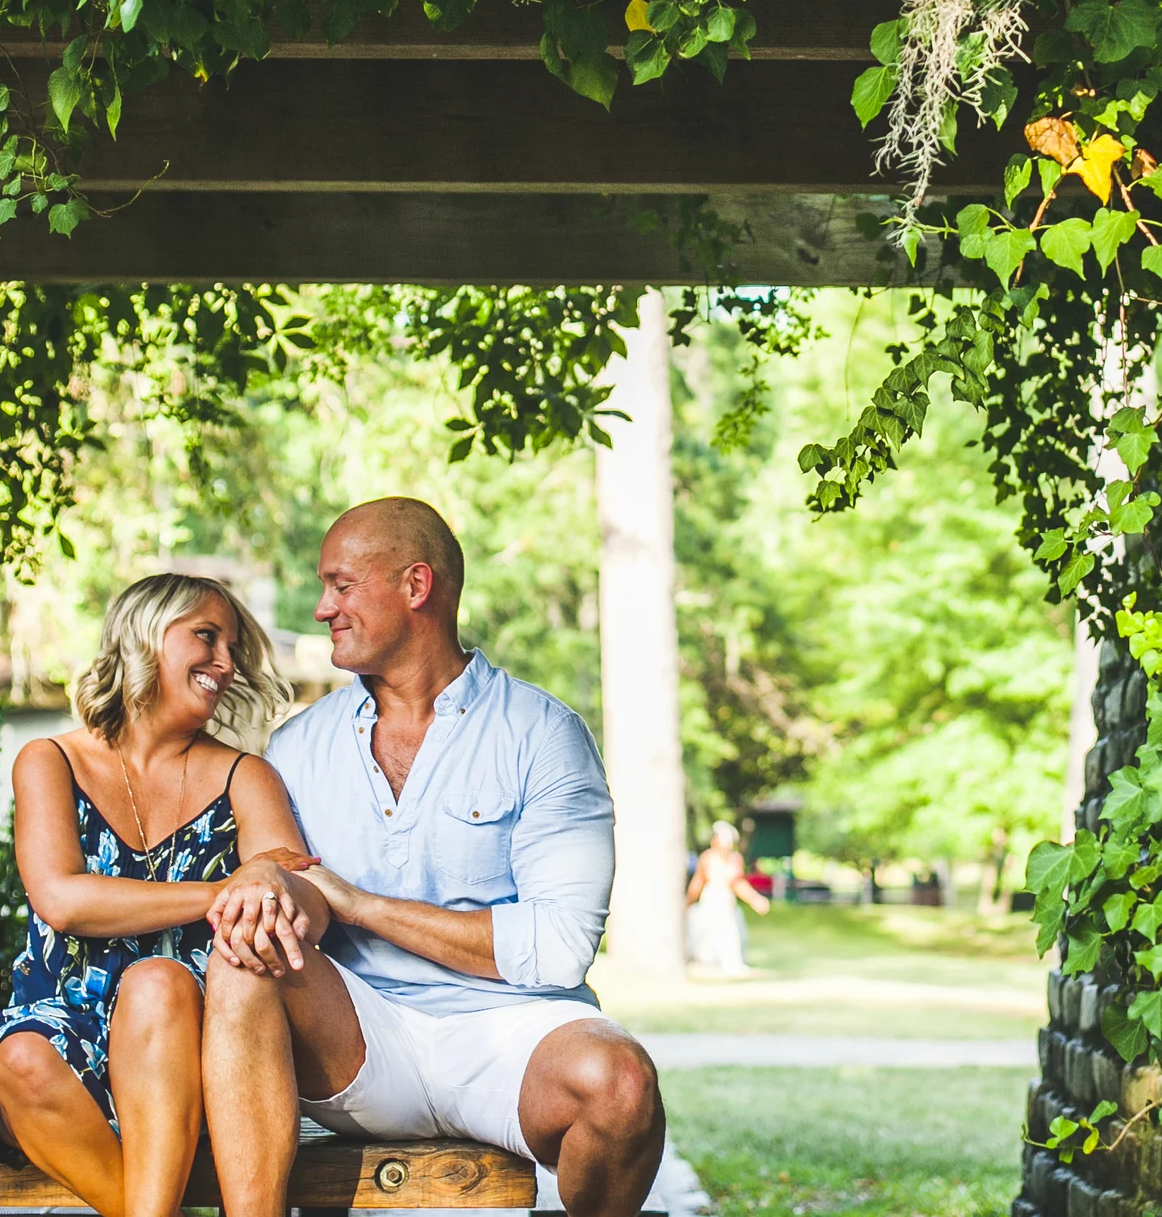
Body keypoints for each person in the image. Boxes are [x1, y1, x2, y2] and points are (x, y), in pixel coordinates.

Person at [198, 498, 665, 1217]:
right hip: (359, 1038)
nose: (323, 609)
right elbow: (301, 903)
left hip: (510, 1034)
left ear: (416, 586)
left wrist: (363, 905)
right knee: (244, 951)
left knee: (622, 1085)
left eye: (342, 585)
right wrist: (272, 885)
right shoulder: (297, 747)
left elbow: (558, 948)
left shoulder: (543, 734)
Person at [0, 573, 310, 1217]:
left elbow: (288, 891)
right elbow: (64, 901)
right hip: (68, 1025)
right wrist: (220, 891)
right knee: (19, 1059)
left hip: (192, 1049)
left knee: (157, 982)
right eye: (205, 637)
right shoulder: (50, 761)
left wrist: (266, 881)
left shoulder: (246, 777)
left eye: (232, 648)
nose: (225, 662)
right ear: (144, 637)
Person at [684, 821, 768, 976]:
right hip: (712, 900)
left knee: (733, 931)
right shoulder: (707, 858)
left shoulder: (735, 859)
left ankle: (732, 963)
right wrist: (687, 903)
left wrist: (755, 899)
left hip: (727, 901)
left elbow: (738, 884)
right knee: (712, 933)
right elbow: (697, 882)